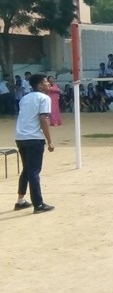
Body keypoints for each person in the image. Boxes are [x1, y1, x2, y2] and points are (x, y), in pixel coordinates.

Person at [14, 74, 55, 213]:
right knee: (34, 171)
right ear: (39, 85)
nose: (49, 83)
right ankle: (38, 204)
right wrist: (50, 141)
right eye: (45, 82)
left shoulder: (25, 98)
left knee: (27, 169)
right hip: (34, 138)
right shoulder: (44, 98)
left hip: (21, 137)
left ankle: (20, 201)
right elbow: (43, 119)